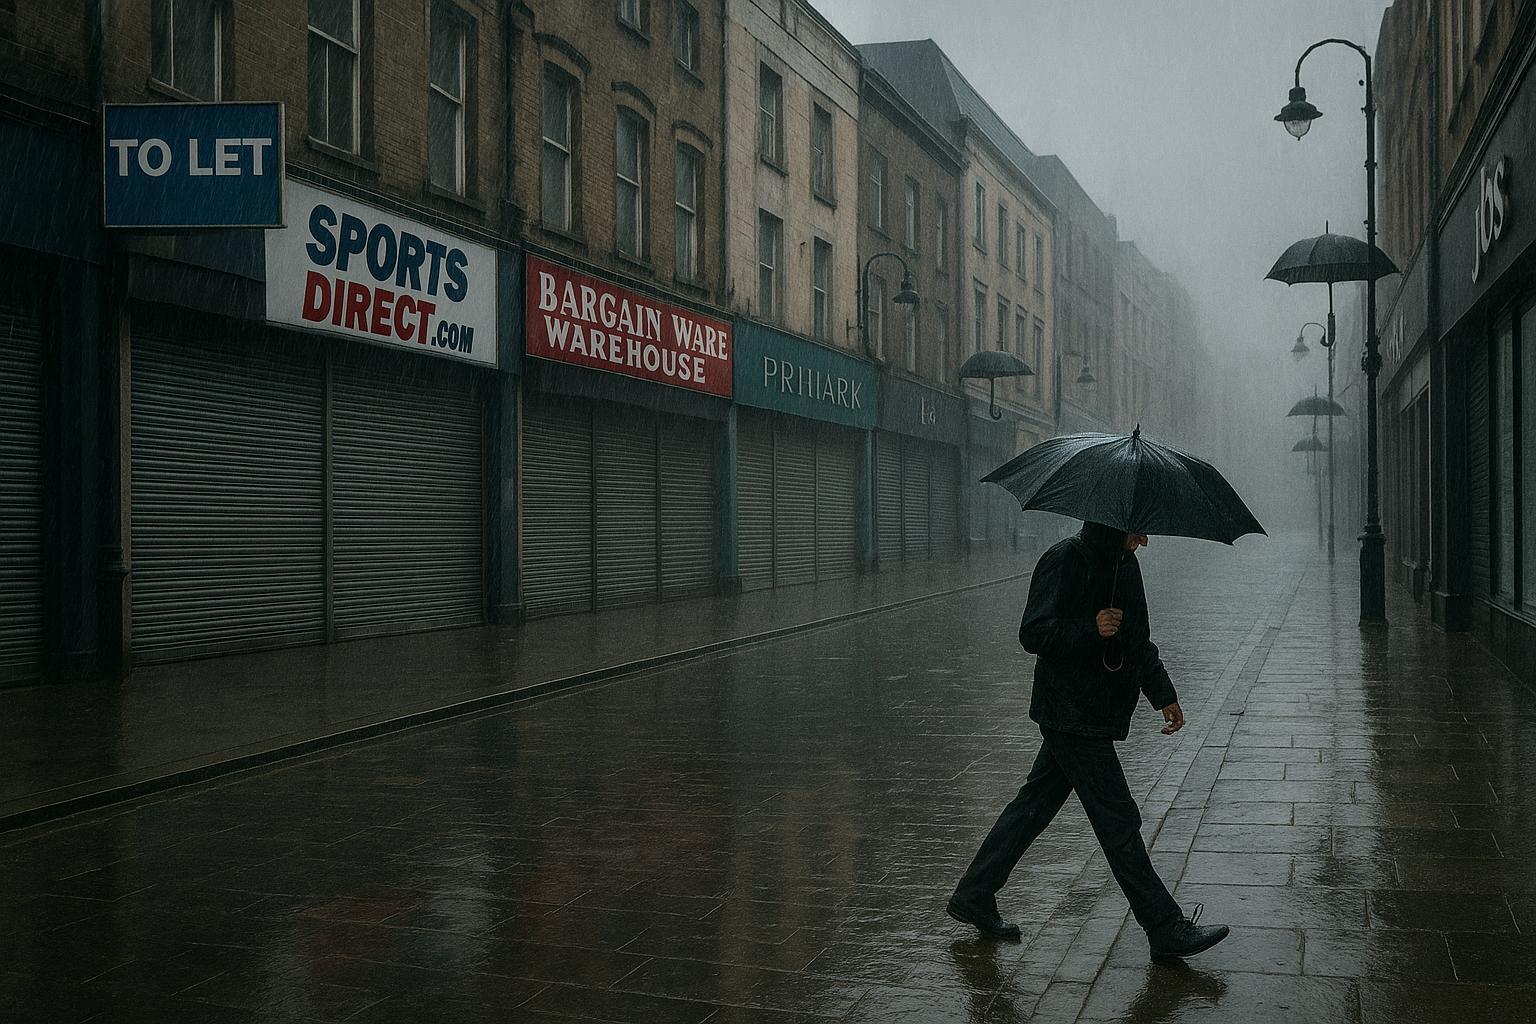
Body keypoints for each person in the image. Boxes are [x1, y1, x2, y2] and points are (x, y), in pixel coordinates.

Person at [946, 521, 1230, 960]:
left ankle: (974, 894)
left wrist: (1163, 693)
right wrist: (1089, 627)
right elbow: (1034, 632)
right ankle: (1163, 925)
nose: (1144, 540)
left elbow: (1138, 641)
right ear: (1112, 524)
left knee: (1032, 808)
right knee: (1118, 819)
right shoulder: (1064, 560)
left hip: (1096, 712)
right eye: (1137, 531)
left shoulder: (1126, 566)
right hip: (1067, 711)